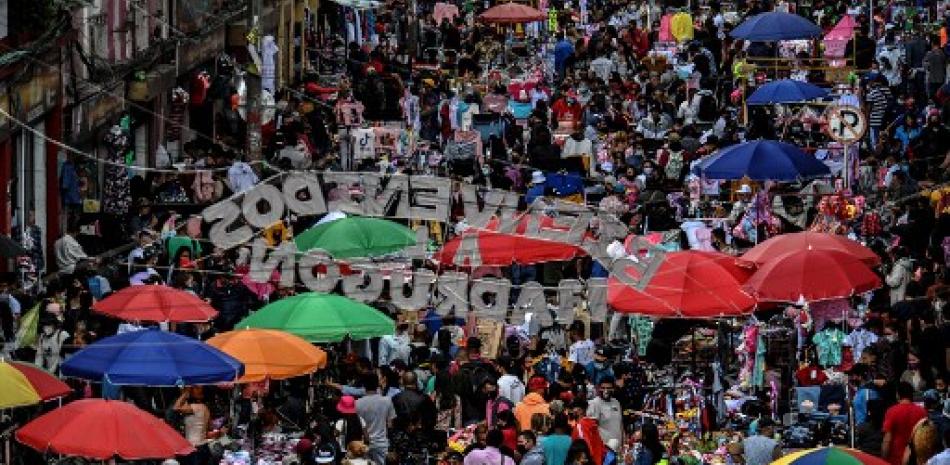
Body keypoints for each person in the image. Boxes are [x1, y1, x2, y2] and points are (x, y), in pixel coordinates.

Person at [355, 373, 396, 465]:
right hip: (382, 443)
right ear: (377, 384)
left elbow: (358, 425)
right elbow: (390, 425)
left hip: (364, 444)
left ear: (364, 386)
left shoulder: (357, 403)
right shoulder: (387, 400)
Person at [884, 382, 929, 465]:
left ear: (898, 395)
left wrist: (883, 458)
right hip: (916, 459)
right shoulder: (922, 411)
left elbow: (887, 439)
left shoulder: (891, 411)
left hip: (895, 459)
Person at [175, 387, 211, 465]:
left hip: (195, 449)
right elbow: (208, 428)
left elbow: (176, 407)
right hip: (203, 447)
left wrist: (184, 393)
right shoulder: (205, 408)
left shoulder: (196, 407)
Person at [586, 376, 623, 447]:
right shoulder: (594, 403)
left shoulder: (616, 402)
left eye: (609, 388)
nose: (606, 390)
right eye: (603, 388)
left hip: (618, 448)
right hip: (603, 448)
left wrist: (623, 443)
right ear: (598, 388)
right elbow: (592, 428)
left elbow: (620, 424)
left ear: (613, 389)